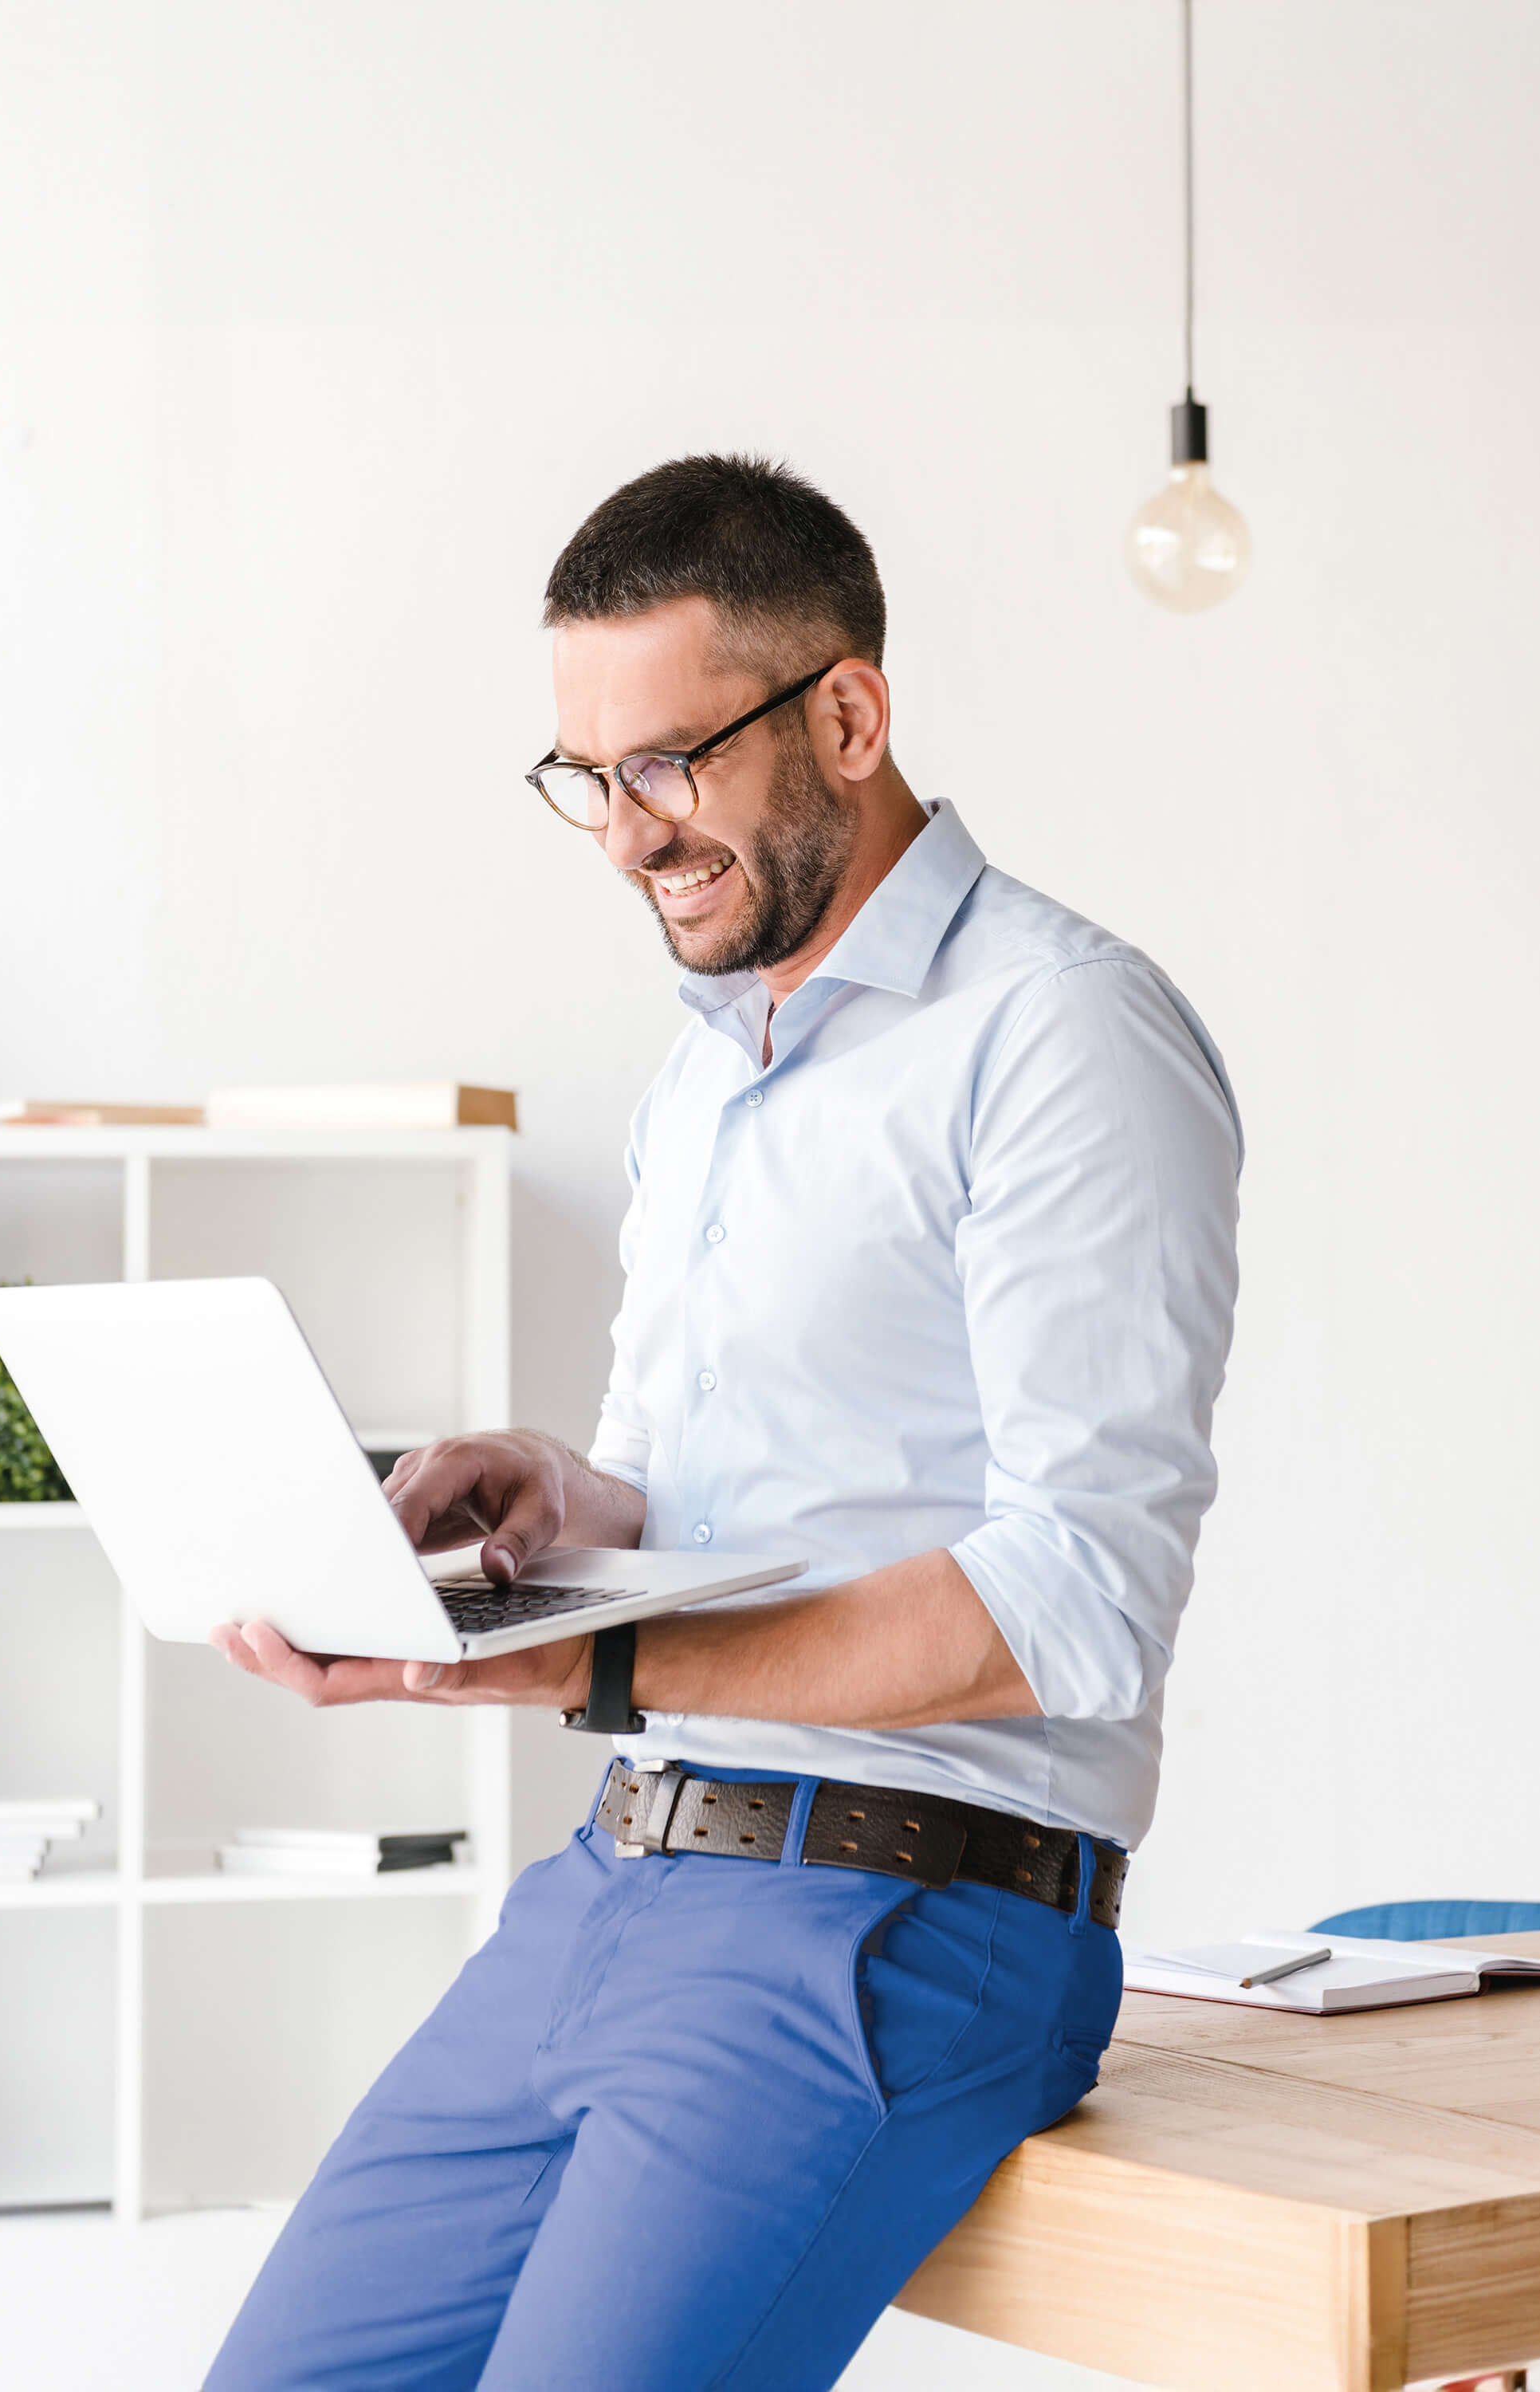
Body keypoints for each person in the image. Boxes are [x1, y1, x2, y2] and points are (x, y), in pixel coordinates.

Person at [204, 454, 1242, 2392]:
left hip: (906, 1915)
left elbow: (1084, 1592)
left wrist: (590, 1664)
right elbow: (747, 1501)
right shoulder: (711, 1068)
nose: (620, 834)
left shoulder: (1061, 1034)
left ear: (847, 715)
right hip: (614, 1882)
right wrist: (572, 1502)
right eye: (584, 778)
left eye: (666, 763)